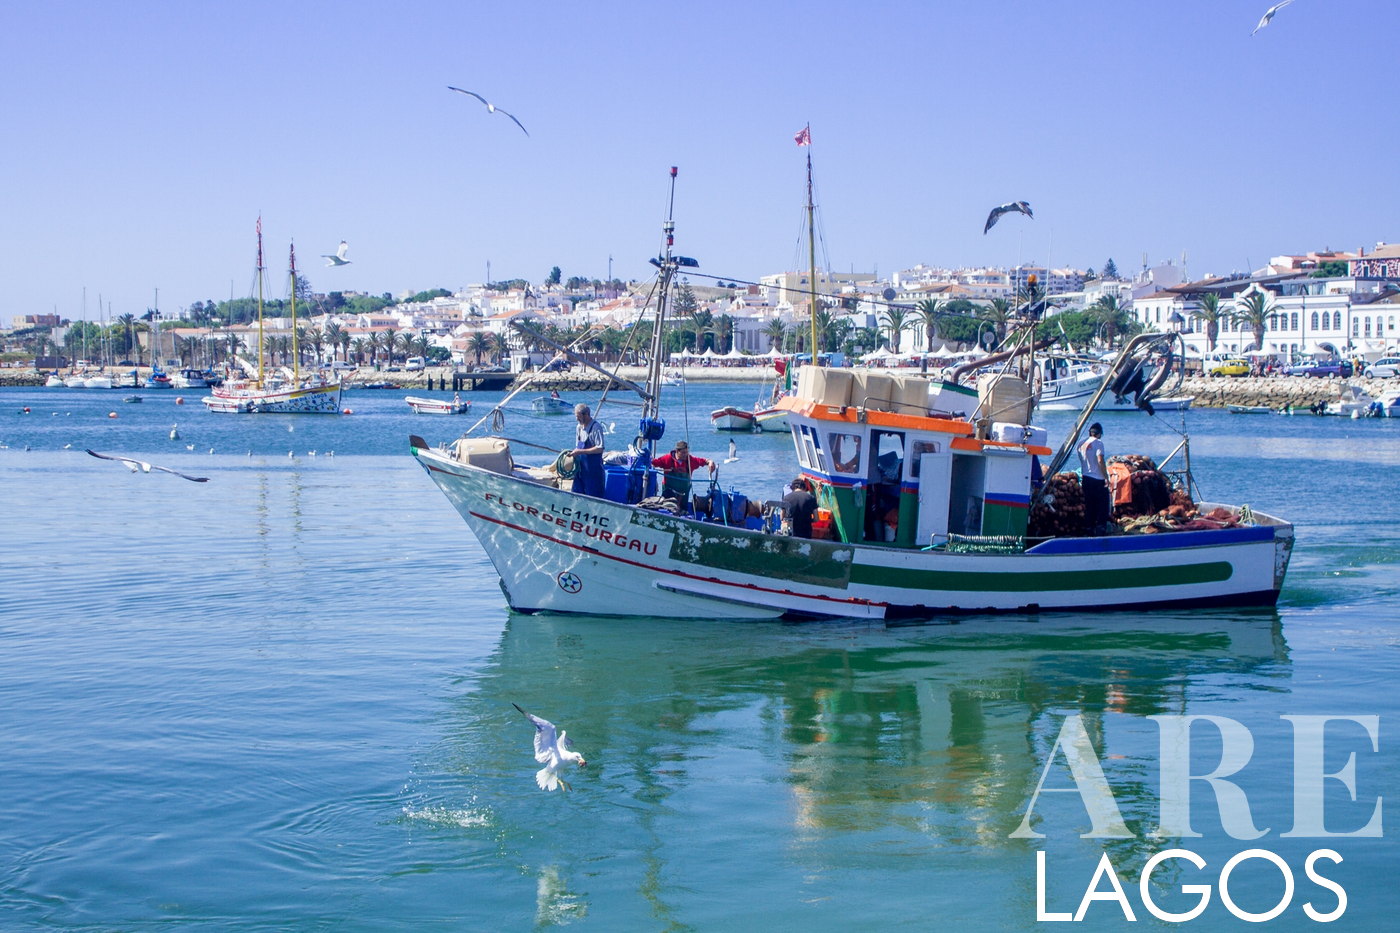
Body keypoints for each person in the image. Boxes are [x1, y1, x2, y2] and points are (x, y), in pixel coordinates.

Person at [651, 439, 716, 501]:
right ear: (677, 451)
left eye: (687, 452)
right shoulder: (667, 459)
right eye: (683, 453)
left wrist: (710, 462)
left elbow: (704, 461)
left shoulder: (690, 460)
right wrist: (647, 457)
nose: (685, 455)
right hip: (668, 496)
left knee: (683, 509)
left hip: (683, 496)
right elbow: (654, 462)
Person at [1077, 422, 1110, 535]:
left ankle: (1088, 528)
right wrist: (1106, 477)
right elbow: (1100, 460)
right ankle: (1100, 528)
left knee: (1089, 505)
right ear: (1099, 434)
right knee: (1102, 505)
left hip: (1086, 478)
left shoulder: (1081, 444)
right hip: (1098, 479)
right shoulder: (1098, 443)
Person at [571, 403, 606, 497]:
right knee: (576, 495)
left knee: (593, 496)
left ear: (586, 415)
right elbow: (577, 447)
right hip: (580, 470)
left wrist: (580, 452)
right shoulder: (579, 427)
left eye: (578, 416)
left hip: (593, 471)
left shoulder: (596, 427)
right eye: (576, 416)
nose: (576, 419)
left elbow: (600, 448)